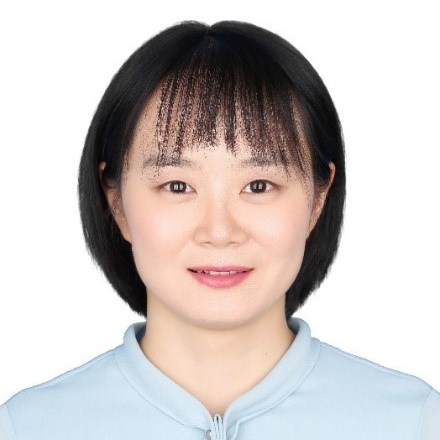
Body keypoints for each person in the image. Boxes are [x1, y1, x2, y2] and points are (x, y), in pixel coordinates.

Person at [0, 20, 438, 439]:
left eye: (259, 185)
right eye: (177, 186)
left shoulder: (414, 424)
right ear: (116, 202)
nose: (220, 231)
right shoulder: (27, 428)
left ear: (317, 199)